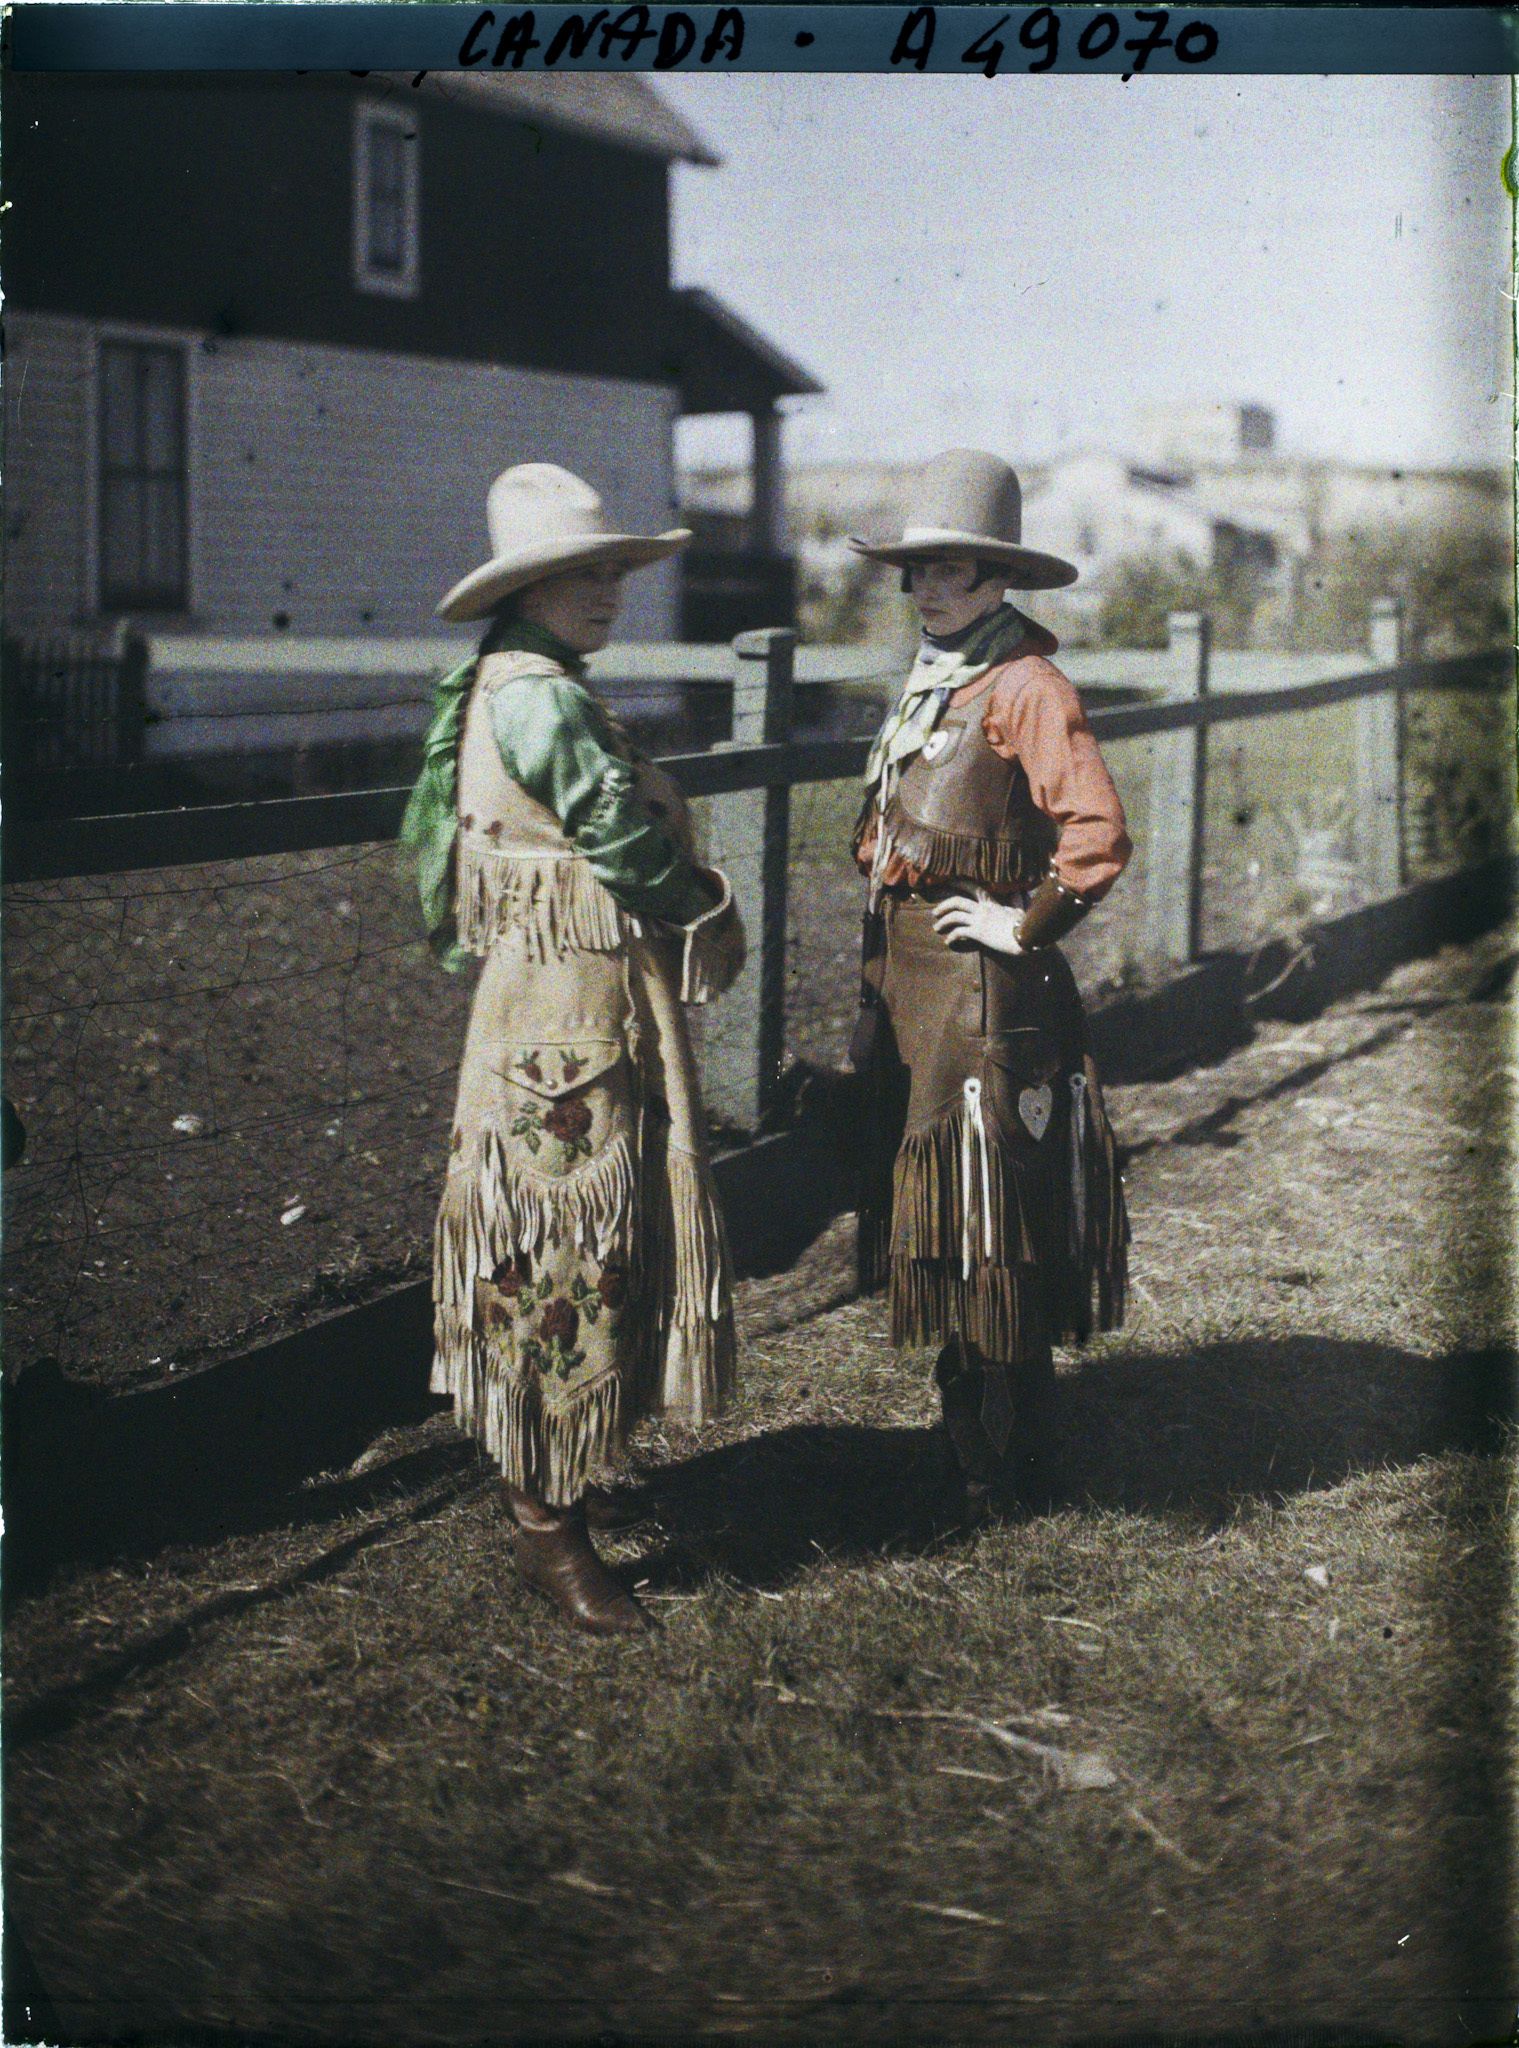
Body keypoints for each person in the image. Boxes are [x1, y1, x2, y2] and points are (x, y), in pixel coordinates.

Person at [403, 463, 745, 1634]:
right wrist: (699, 902)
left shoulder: (519, 680)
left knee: (569, 1245)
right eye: (584, 573)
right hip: (564, 1026)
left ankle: (557, 1487)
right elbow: (610, 826)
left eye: (613, 570)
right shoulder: (538, 696)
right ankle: (547, 1523)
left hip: (552, 1010)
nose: (608, 591)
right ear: (532, 585)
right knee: (561, 1248)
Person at [848, 448, 1131, 1521]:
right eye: (915, 570)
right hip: (909, 984)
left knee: (983, 1220)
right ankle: (996, 1448)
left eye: (952, 570)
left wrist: (1023, 922)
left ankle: (991, 1469)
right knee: (965, 1219)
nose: (927, 589)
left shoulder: (1027, 685)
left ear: (998, 577)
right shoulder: (940, 680)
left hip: (981, 993)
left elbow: (1096, 831)